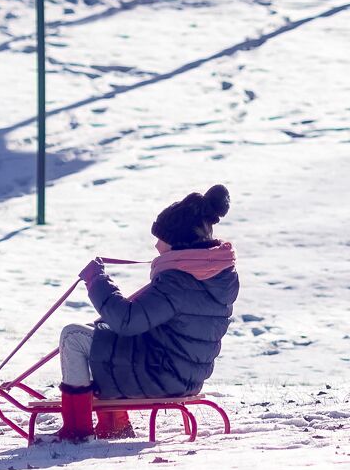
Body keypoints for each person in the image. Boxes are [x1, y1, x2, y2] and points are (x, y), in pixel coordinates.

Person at [56, 184, 239, 441]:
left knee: (73, 336)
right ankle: (113, 424)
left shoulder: (177, 281)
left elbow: (126, 321)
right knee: (100, 334)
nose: (156, 245)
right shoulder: (213, 277)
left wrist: (96, 280)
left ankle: (76, 432)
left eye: (161, 238)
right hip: (184, 374)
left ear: (177, 242)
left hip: (162, 374)